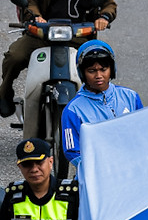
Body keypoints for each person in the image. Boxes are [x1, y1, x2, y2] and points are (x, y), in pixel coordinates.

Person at [60, 41, 143, 172]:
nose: (99, 76)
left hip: (133, 169)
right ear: (82, 73)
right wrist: (100, 170)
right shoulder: (73, 110)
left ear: (112, 69)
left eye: (103, 70)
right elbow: (72, 152)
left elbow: (143, 133)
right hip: (98, 176)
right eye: (91, 71)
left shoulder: (131, 97)